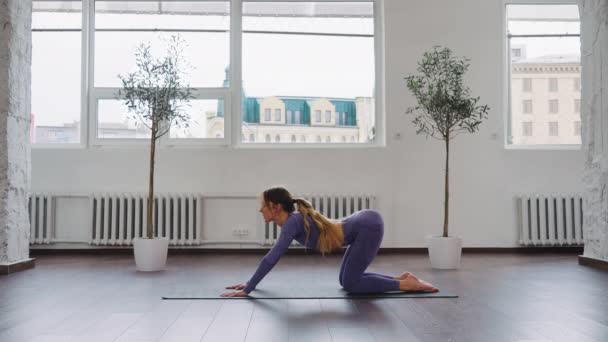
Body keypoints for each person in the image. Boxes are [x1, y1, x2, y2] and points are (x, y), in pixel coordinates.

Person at [221, 187, 438, 297]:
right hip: (362, 225)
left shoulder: (292, 223)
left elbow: (272, 258)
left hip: (367, 226)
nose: (260, 210)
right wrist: (250, 283)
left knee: (352, 284)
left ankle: (405, 285)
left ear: (276, 207)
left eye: (264, 205)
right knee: (346, 282)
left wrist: (249, 287)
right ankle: (402, 278)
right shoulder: (294, 220)